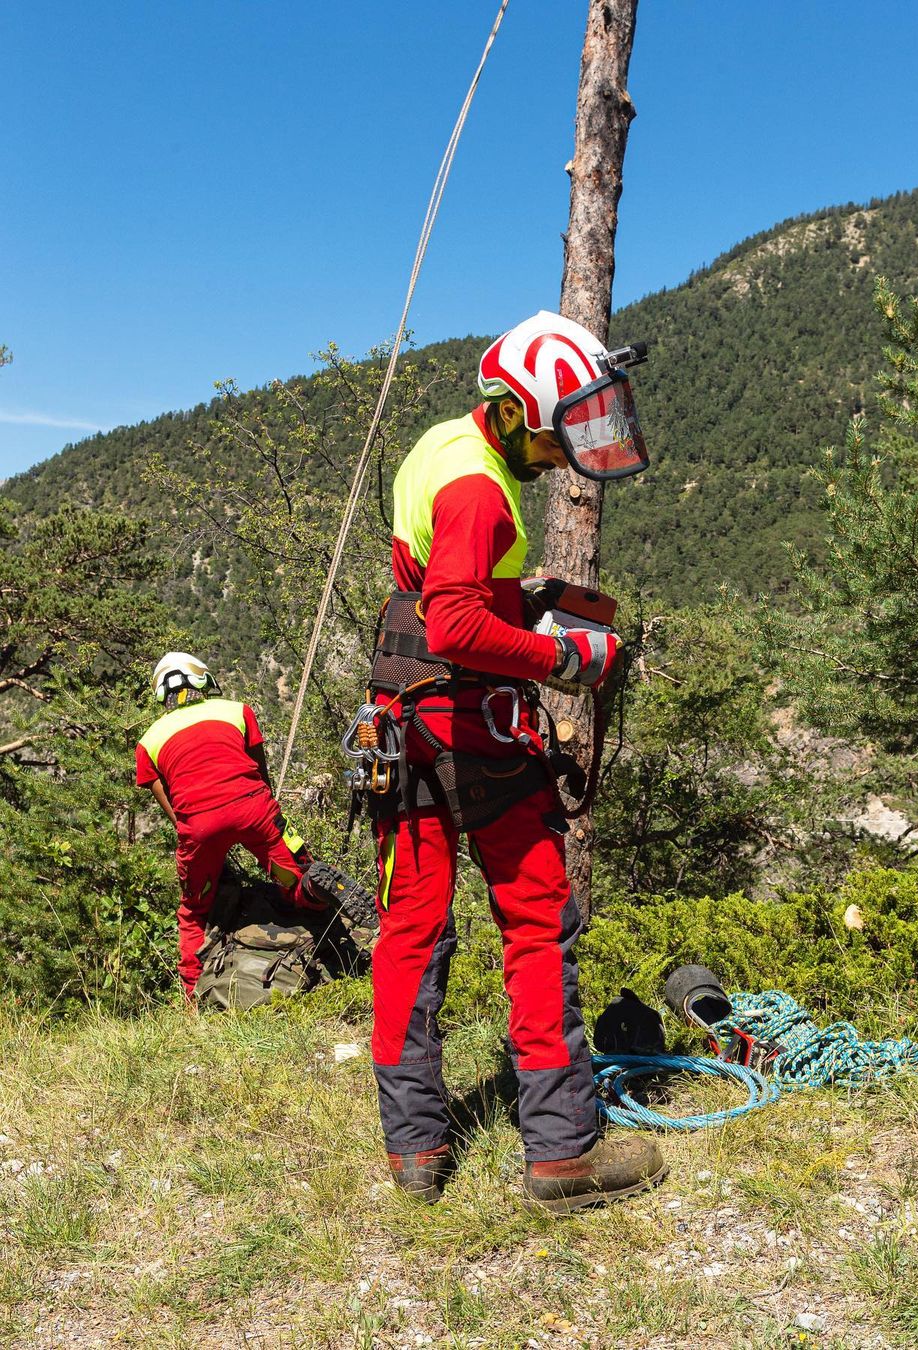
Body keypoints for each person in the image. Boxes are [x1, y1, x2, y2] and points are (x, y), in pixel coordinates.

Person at [367, 310, 665, 1213]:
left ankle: (415, 1153)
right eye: (560, 426)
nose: (569, 444)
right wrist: (568, 658)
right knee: (537, 920)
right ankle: (562, 1158)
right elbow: (458, 626)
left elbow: (436, 588)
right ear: (518, 413)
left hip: (401, 721)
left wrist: (524, 596)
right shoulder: (480, 490)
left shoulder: (444, 447)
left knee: (412, 927)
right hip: (471, 727)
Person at [135, 652, 326, 996]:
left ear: (161, 692)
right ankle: (322, 923)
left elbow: (171, 806)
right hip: (253, 808)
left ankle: (193, 994)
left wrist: (201, 834)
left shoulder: (149, 740)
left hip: (200, 826)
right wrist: (264, 810)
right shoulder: (237, 710)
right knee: (297, 875)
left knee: (194, 910)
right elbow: (260, 770)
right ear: (203, 680)